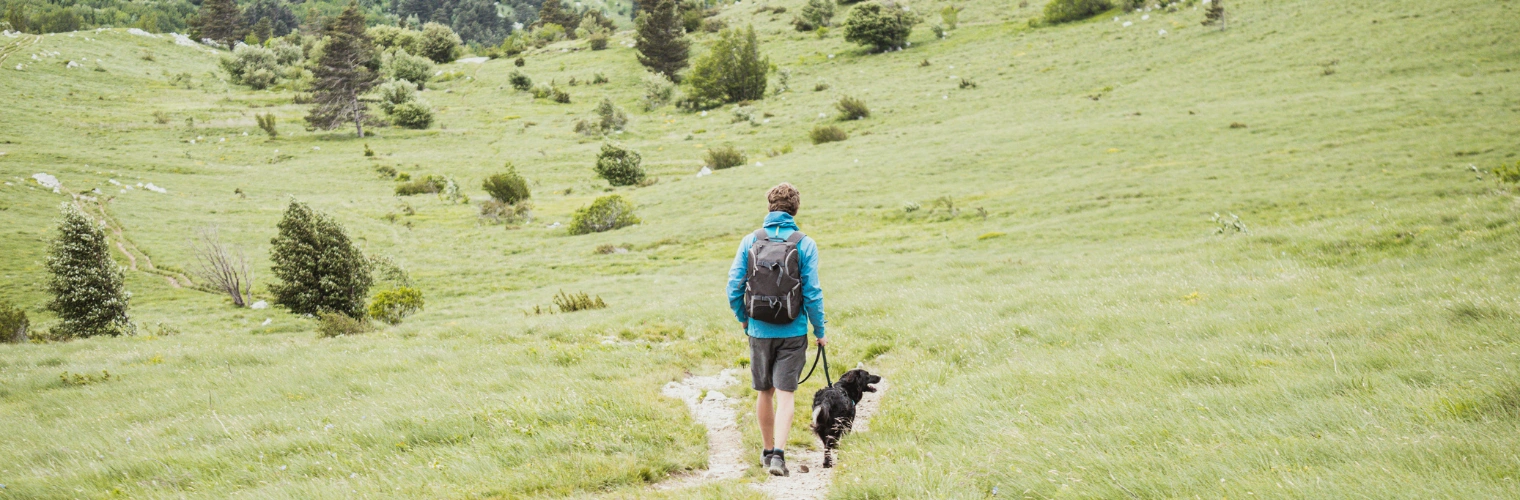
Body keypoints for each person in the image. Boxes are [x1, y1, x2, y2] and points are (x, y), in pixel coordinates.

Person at [726, 182, 826, 477]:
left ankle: (767, 450)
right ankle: (779, 457)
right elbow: (813, 293)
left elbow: (733, 286)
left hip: (759, 330)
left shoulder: (750, 241)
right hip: (793, 330)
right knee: (786, 394)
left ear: (769, 207)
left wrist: (743, 317)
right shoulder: (805, 243)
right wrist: (819, 329)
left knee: (764, 392)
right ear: (795, 209)